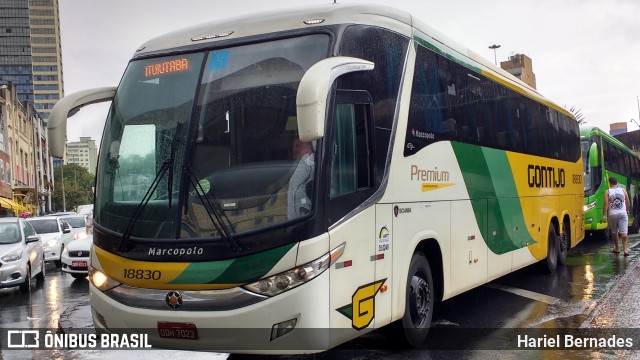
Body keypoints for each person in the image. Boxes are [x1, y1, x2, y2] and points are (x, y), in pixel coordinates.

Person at [287, 138, 314, 219]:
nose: (294, 149)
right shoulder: (295, 165)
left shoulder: (312, 165)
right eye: (293, 146)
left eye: (298, 146)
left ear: (308, 147)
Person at [603, 176, 630, 256]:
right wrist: (627, 210)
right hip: (622, 213)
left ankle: (617, 248)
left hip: (612, 214)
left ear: (609, 182)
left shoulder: (607, 192)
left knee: (614, 232)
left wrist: (604, 214)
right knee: (624, 231)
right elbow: (627, 200)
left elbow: (606, 204)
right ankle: (625, 249)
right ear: (617, 182)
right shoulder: (623, 190)